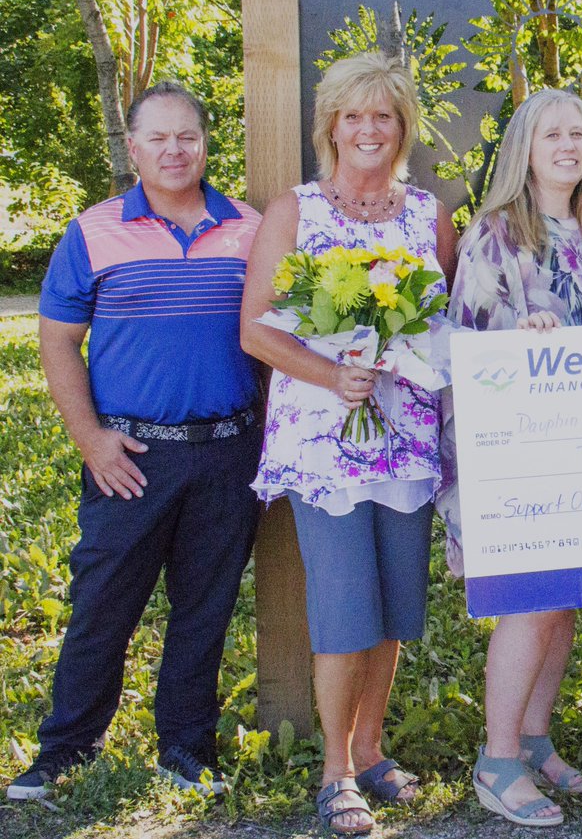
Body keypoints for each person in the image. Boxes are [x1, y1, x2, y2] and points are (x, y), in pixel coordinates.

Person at [7, 82, 262, 802]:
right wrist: (91, 440)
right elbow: (56, 341)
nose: (175, 150)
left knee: (204, 607)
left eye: (188, 136)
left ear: (207, 142)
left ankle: (185, 747)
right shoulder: (92, 232)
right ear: (133, 145)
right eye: (158, 138)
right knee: (104, 602)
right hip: (130, 457)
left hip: (227, 449)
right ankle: (65, 749)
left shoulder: (248, 227)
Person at [241, 51, 458, 837]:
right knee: (344, 608)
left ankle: (371, 746)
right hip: (323, 446)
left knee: (397, 605)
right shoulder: (294, 212)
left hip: (405, 438)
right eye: (353, 115)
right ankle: (336, 769)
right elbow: (257, 328)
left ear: (403, 128)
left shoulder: (428, 215)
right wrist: (333, 375)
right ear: (329, 124)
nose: (369, 129)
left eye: (385, 116)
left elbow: (443, 323)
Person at [444, 88, 582, 827]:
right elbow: (464, 338)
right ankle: (496, 762)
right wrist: (517, 335)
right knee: (529, 601)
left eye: (578, 134)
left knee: (561, 603)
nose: (568, 145)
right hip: (517, 459)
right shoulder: (497, 232)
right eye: (552, 133)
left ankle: (532, 737)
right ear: (524, 147)